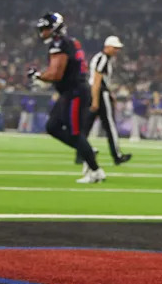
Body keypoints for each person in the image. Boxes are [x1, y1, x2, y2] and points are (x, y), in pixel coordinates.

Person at [28, 12, 105, 183]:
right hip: (69, 92)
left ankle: (96, 171)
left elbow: (56, 74)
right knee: (53, 126)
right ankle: (88, 151)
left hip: (75, 92)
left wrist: (38, 75)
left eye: (46, 28)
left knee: (75, 133)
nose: (43, 32)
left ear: (54, 29)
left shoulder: (60, 44)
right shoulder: (70, 42)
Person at [82, 35, 131, 165]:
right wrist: (96, 100)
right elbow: (97, 80)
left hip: (97, 92)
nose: (116, 51)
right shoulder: (103, 59)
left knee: (86, 125)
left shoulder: (102, 58)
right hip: (99, 93)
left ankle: (81, 153)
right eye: (114, 48)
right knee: (110, 125)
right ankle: (117, 155)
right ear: (107, 47)